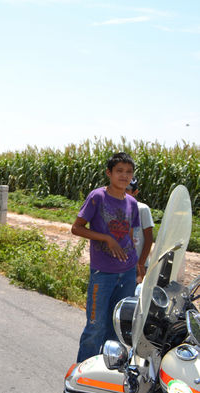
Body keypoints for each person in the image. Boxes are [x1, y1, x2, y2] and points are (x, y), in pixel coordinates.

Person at [71, 152, 141, 363]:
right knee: (96, 327)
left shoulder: (132, 203)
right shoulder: (97, 197)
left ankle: (106, 372)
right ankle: (83, 372)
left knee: (117, 328)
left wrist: (138, 265)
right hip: (103, 273)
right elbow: (77, 228)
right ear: (109, 173)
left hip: (127, 273)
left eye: (128, 172)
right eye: (119, 171)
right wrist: (107, 239)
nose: (124, 175)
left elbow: (130, 235)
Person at [125, 178, 154, 284]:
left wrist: (140, 264)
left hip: (138, 264)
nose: (123, 192)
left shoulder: (142, 209)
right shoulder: (115, 208)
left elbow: (149, 239)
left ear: (135, 192)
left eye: (127, 190)